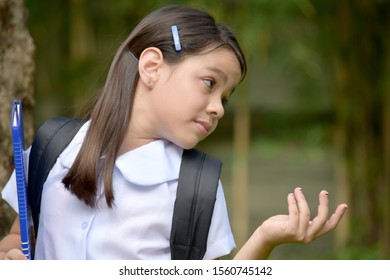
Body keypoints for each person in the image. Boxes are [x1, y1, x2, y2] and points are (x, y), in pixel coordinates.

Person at [0, 4, 347, 260]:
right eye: (209, 84)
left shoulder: (197, 189)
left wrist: (265, 238)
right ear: (152, 67)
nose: (219, 108)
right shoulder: (54, 146)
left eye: (225, 97)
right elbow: (19, 238)